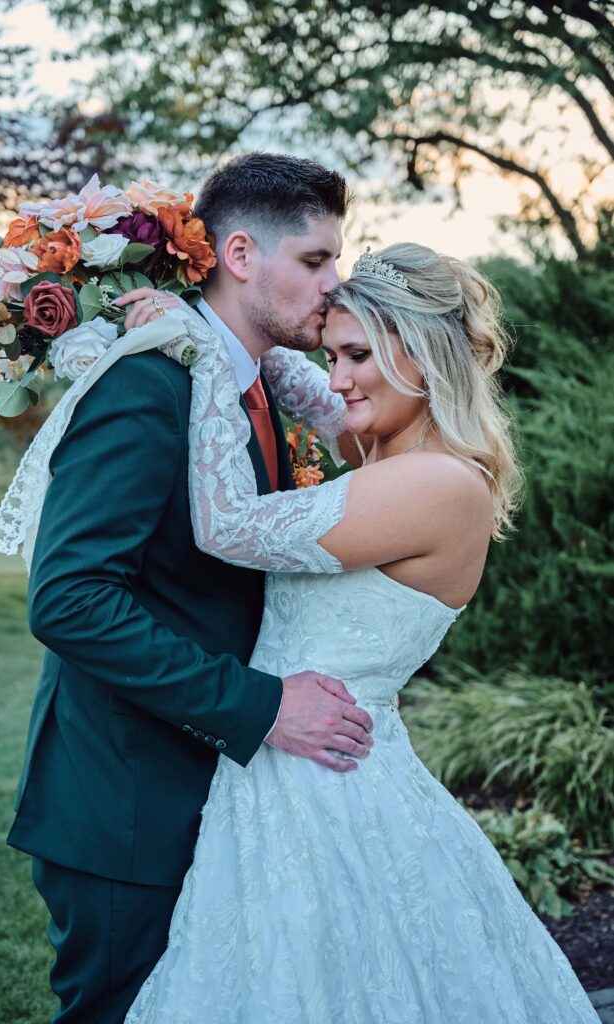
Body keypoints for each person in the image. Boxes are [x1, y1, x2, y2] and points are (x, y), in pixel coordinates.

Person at [123, 243, 600, 1023]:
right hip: (301, 761)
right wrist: (224, 315)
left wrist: (200, 356)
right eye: (334, 354)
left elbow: (228, 527)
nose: (337, 377)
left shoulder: (434, 484)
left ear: (425, 356)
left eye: (357, 356)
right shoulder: (389, 452)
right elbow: (298, 383)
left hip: (326, 786)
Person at [0, 154, 377, 1024]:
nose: (333, 284)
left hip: (217, 793)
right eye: (316, 261)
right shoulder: (147, 380)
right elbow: (70, 599)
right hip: (125, 803)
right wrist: (261, 706)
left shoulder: (258, 392)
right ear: (240, 254)